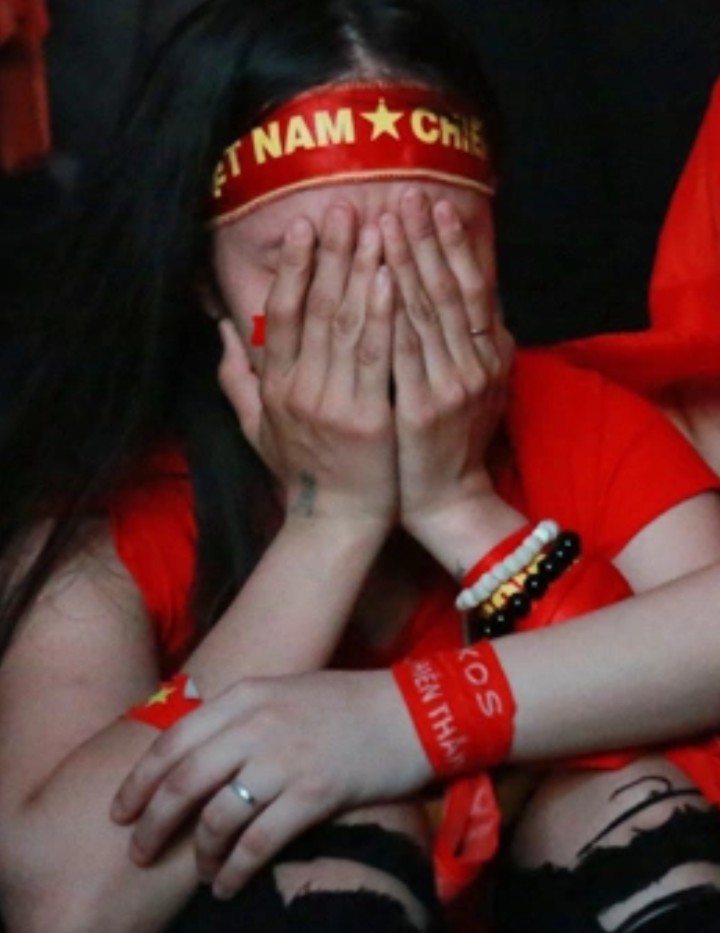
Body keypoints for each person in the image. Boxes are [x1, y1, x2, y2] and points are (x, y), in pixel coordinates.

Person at [2, 2, 720, 932]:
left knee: (624, 804)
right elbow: (64, 896)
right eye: (304, 267)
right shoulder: (116, 512)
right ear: (203, 278)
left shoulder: (578, 420)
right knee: (328, 835)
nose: (375, 313)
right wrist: (329, 520)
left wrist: (455, 514)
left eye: (435, 253)